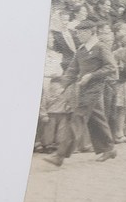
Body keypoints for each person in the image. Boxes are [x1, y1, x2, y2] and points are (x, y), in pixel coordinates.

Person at [43, 19, 117, 166]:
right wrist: (62, 86)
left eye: (81, 32)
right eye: (77, 32)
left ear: (91, 32)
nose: (78, 35)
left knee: (78, 118)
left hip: (95, 89)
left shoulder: (101, 47)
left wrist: (91, 75)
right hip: (83, 89)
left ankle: (60, 155)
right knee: (97, 119)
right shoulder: (81, 50)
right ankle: (109, 149)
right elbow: (72, 70)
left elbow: (111, 67)